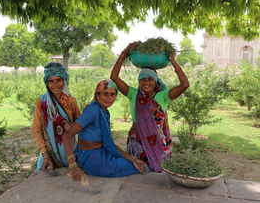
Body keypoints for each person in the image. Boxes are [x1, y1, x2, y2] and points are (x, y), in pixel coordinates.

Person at [110, 42, 190, 173]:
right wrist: (123, 55)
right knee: (139, 172)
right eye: (143, 79)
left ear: (155, 81)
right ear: (139, 81)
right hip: (137, 141)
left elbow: (185, 84)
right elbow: (114, 77)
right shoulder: (133, 94)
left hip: (158, 141)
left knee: (159, 172)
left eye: (150, 79)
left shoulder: (163, 96)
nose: (146, 83)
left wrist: (173, 61)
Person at [64, 80, 147, 181]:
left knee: (133, 161)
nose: (109, 98)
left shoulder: (104, 111)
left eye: (112, 95)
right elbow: (68, 134)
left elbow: (109, 144)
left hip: (101, 152)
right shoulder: (93, 110)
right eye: (105, 94)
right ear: (98, 95)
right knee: (139, 166)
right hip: (93, 158)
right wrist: (72, 165)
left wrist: (132, 158)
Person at [32, 62, 81, 171]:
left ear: (64, 81)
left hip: (70, 152)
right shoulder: (42, 102)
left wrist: (71, 127)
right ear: (47, 83)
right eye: (51, 81)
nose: (55, 85)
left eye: (58, 80)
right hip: (50, 152)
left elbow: (81, 125)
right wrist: (45, 154)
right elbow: (37, 130)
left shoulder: (71, 101)